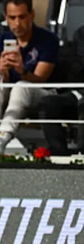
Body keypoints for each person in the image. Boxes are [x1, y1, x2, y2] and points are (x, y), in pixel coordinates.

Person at [0, 0, 61, 155]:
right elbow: (1, 80)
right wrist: (1, 71)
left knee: (21, 86)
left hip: (45, 93)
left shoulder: (48, 39)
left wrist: (21, 71)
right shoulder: (4, 39)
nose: (17, 23)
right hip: (14, 92)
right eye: (12, 18)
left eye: (22, 17)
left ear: (32, 15)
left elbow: (40, 80)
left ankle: (2, 138)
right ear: (6, 18)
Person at [38, 25, 84, 155]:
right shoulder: (81, 34)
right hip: (79, 91)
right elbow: (77, 64)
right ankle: (59, 156)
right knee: (48, 104)